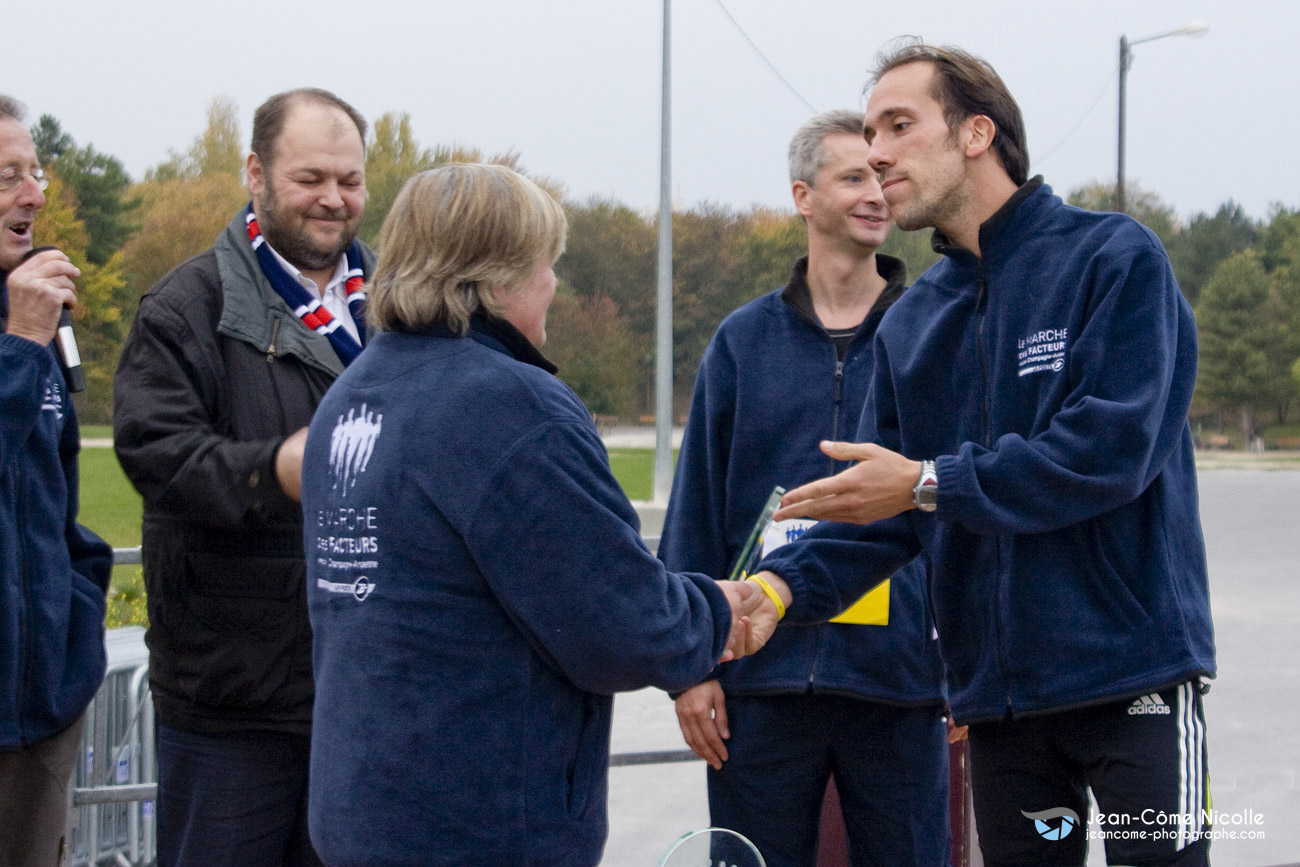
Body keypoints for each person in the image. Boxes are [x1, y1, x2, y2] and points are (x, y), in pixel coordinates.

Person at [747, 42, 1214, 867]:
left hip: (1133, 685)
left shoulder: (1113, 259)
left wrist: (931, 480)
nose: (877, 151)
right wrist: (779, 589)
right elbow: (881, 508)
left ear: (975, 134)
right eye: (868, 131)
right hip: (1002, 712)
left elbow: (1110, 451)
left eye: (899, 124)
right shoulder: (913, 320)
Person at [300, 163, 762, 867]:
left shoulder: (355, 392)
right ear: (494, 279)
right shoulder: (508, 407)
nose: (553, 284)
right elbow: (619, 620)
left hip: (363, 803)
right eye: (545, 264)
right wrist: (718, 611)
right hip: (477, 821)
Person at [658, 109, 949, 867]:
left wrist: (966, 664)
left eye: (883, 176)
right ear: (803, 196)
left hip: (900, 686)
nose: (876, 193)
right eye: (853, 176)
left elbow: (959, 498)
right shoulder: (742, 342)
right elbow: (694, 515)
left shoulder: (934, 331)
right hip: (763, 681)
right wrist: (690, 669)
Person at [113, 88, 374, 867]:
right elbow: (157, 454)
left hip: (362, 698)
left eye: (351, 180)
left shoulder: (399, 309)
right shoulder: (183, 308)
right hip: (232, 709)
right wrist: (275, 471)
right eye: (311, 177)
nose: (333, 199)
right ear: (255, 174)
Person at [0, 94, 113, 867]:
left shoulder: (35, 311)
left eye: (33, 170)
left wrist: (78, 603)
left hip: (41, 706)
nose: (35, 194)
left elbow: (56, 484)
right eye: (7, 175)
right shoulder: (27, 327)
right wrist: (20, 346)